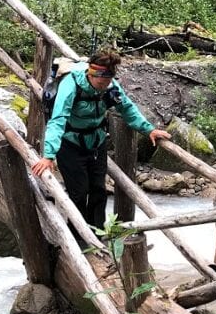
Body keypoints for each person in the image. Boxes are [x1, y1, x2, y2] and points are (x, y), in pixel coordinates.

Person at [31, 49, 170, 228]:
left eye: (109, 80)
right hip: (70, 143)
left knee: (98, 190)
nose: (105, 85)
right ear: (91, 74)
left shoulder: (110, 86)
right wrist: (48, 156)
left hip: (97, 142)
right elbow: (58, 120)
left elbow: (126, 108)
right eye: (102, 81)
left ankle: (97, 233)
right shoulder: (71, 85)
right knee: (78, 192)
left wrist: (149, 129)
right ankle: (79, 235)